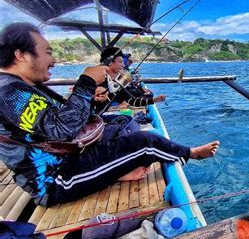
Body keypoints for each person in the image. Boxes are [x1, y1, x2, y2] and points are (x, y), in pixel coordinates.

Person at [0, 22, 219, 206]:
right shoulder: (8, 92)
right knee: (145, 141)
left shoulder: (22, 85)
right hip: (55, 180)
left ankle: (119, 168)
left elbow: (62, 124)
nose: (54, 60)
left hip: (70, 156)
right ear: (21, 55)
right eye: (48, 52)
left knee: (119, 128)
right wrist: (85, 83)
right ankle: (191, 153)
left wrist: (91, 100)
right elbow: (61, 132)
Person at [92, 47, 164, 113]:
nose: (123, 65)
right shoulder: (93, 79)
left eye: (123, 62)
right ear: (109, 62)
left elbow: (131, 100)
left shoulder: (116, 84)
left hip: (100, 117)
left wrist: (155, 100)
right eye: (120, 62)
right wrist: (94, 97)